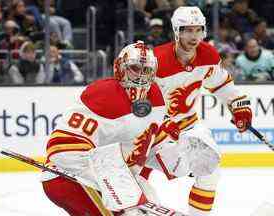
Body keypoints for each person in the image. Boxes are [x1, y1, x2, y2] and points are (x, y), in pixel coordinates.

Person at [41, 41, 177, 216]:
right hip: (68, 177)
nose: (141, 76)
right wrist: (111, 180)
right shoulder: (102, 95)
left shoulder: (157, 98)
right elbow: (61, 150)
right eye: (135, 68)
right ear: (120, 68)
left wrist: (182, 159)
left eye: (147, 70)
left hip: (119, 180)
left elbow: (153, 147)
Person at [151, 6, 253, 216]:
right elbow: (139, 102)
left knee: (210, 169)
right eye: (188, 30)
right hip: (153, 131)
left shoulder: (208, 54)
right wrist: (159, 124)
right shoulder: (156, 60)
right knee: (138, 178)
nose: (194, 36)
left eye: (198, 30)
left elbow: (223, 85)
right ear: (176, 31)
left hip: (188, 125)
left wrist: (239, 107)